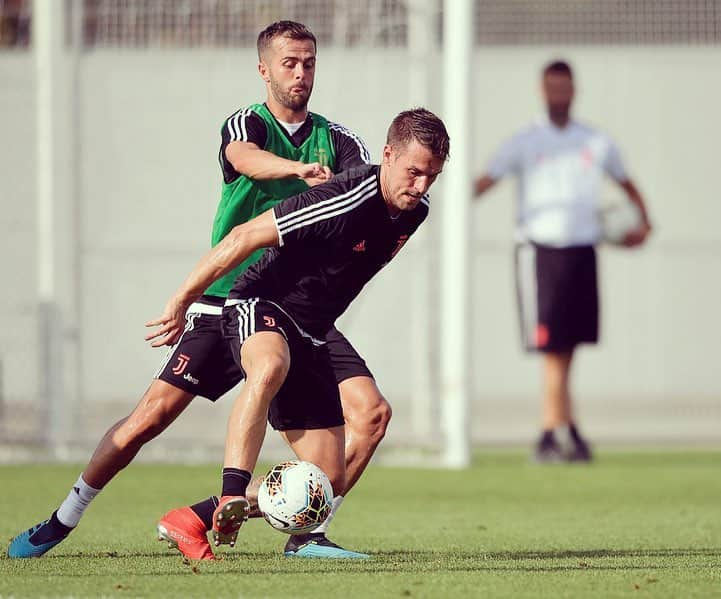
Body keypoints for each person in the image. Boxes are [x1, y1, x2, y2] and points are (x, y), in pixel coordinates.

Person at [8, 20, 382, 561]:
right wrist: (298, 170)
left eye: (309, 63)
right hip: (228, 300)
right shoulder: (245, 125)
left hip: (297, 311)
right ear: (263, 69)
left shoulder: (340, 139)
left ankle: (303, 534)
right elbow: (244, 160)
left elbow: (362, 191)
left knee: (369, 416)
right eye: (289, 63)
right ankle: (64, 518)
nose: (301, 74)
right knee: (150, 418)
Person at [147, 107, 449, 561]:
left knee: (339, 460)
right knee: (269, 364)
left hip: (312, 328)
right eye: (413, 172)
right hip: (262, 302)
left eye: (432, 176)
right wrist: (180, 300)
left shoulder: (414, 211)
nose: (421, 186)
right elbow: (243, 237)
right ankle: (230, 492)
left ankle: (204, 519)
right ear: (387, 155)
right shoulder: (344, 197)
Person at [474, 60, 651, 463]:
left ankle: (563, 427)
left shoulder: (595, 141)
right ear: (542, 90)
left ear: (574, 90)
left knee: (568, 349)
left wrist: (645, 224)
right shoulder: (525, 140)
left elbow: (627, 183)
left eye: (565, 87)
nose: (559, 94)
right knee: (552, 349)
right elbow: (486, 181)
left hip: (582, 253)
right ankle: (552, 432)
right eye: (552, 87)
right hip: (540, 253)